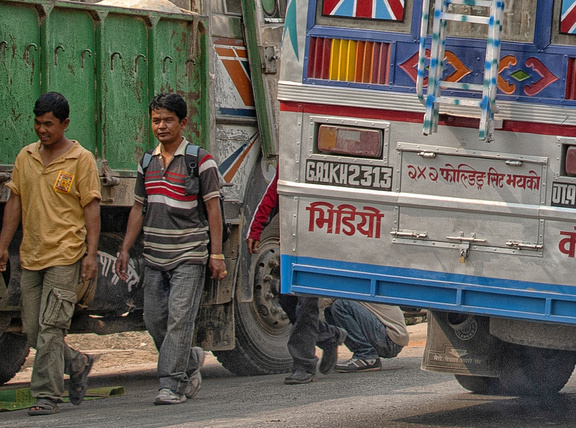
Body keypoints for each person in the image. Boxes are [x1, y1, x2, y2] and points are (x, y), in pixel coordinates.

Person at [116, 93, 226, 406]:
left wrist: (215, 255)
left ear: (182, 123)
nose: (161, 126)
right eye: (156, 120)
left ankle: (172, 383)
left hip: (189, 254)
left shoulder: (199, 160)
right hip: (154, 255)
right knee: (154, 320)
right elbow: (138, 208)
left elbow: (213, 209)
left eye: (167, 120)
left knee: (180, 319)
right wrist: (124, 250)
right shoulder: (147, 162)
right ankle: (189, 360)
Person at [0, 92, 99, 416]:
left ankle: (46, 394)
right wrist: (2, 245)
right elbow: (14, 203)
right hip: (32, 255)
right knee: (32, 330)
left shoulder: (80, 159)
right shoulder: (25, 157)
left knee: (52, 326)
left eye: (49, 124)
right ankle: (78, 362)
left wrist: (90, 255)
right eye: (38, 123)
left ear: (64, 124)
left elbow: (91, 208)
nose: (42, 130)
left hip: (65, 254)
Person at [245, 167, 346, 384]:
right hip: (292, 244)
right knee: (286, 300)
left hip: (320, 243)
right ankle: (329, 336)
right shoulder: (291, 161)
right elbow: (270, 197)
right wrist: (255, 230)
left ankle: (304, 365)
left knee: (306, 305)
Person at [328, 300, 410, 371]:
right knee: (329, 310)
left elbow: (324, 301)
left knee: (341, 305)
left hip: (390, 339)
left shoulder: (349, 283)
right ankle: (365, 354)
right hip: (387, 336)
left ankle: (366, 355)